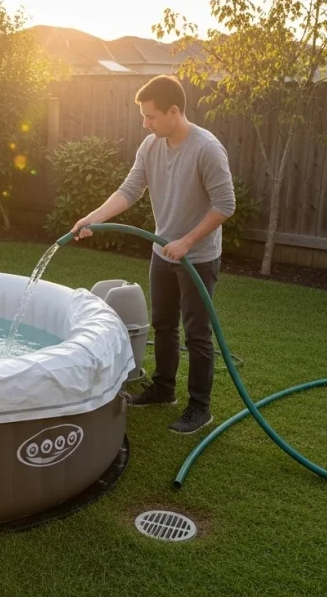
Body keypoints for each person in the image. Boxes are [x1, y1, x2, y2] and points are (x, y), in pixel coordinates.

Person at [70, 75, 236, 434]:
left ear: (174, 111)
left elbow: (225, 205)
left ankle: (200, 408)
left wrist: (187, 242)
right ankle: (163, 389)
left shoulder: (207, 148)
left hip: (197, 257)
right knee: (163, 325)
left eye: (151, 116)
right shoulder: (151, 145)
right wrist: (94, 218)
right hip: (162, 251)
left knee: (197, 334)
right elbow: (130, 189)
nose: (146, 124)